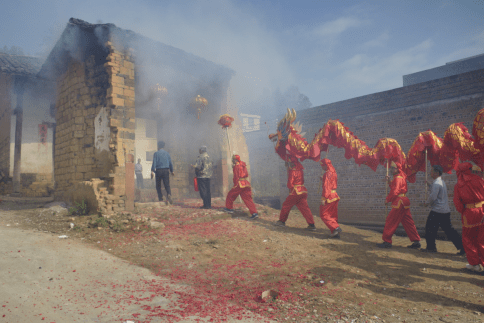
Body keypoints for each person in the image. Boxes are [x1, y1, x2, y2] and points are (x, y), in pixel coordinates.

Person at [377, 161, 421, 248]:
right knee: (408, 222)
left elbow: (395, 191)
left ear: (398, 169)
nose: (392, 169)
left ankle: (387, 241)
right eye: (392, 168)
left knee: (391, 220)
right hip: (404, 202)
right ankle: (416, 240)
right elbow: (395, 188)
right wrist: (390, 182)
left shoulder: (398, 178)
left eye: (394, 168)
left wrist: (388, 199)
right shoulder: (399, 177)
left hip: (399, 202)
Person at [421, 165, 464, 254]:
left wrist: (426, 203)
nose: (430, 172)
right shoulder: (441, 182)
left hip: (437, 211)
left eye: (431, 170)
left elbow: (433, 196)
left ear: (436, 173)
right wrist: (430, 185)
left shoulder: (437, 183)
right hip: (444, 211)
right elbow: (436, 191)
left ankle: (431, 247)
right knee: (449, 231)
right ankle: (462, 247)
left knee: (429, 228)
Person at [274, 143, 316, 230]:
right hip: (303, 191)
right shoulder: (300, 169)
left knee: (286, 205)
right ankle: (311, 225)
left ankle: (281, 221)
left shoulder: (292, 171)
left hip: (295, 191)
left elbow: (290, 183)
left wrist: (289, 186)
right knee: (305, 208)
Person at [453, 162, 484, 272]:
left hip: (469, 212)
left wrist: (463, 211)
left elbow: (457, 203)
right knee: (481, 239)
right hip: (481, 211)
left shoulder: (459, 185)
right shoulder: (480, 180)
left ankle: (474, 264)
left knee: (468, 239)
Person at [223, 155, 259, 219]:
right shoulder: (243, 164)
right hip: (246, 183)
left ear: (235, 160)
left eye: (233, 159)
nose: (232, 161)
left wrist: (235, 183)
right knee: (248, 199)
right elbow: (246, 174)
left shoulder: (236, 166)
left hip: (239, 184)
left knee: (230, 195)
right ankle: (254, 213)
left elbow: (236, 176)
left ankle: (229, 208)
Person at [319, 158, 342, 238]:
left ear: (325, 165)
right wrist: (323, 179)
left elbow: (326, 187)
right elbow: (331, 183)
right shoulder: (334, 173)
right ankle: (335, 233)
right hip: (335, 195)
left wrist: (324, 198)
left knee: (324, 214)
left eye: (322, 166)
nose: (322, 167)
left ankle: (335, 227)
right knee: (332, 215)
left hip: (329, 196)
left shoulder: (327, 173)